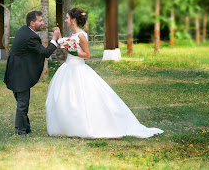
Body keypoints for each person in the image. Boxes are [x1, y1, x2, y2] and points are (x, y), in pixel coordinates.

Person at [45, 7, 163, 138]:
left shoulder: (81, 35)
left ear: (73, 20)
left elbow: (87, 54)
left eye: (67, 18)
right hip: (68, 68)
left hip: (78, 69)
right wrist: (60, 38)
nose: (65, 20)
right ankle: (66, 125)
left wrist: (73, 51)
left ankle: (85, 126)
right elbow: (67, 51)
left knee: (82, 99)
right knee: (65, 99)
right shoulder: (72, 36)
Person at [4, 10, 61, 136]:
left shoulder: (24, 30)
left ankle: (26, 127)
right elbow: (45, 53)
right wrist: (55, 38)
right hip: (19, 74)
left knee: (21, 101)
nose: (43, 23)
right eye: (40, 20)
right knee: (23, 103)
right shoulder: (30, 36)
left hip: (15, 71)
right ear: (32, 23)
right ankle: (21, 131)